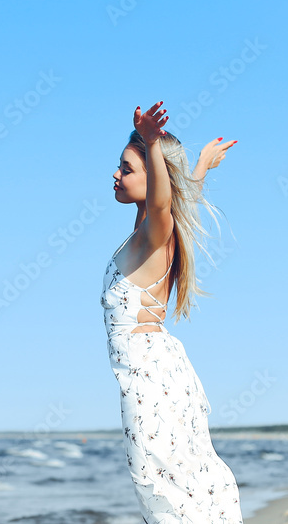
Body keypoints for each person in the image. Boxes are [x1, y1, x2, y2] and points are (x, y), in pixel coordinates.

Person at [101, 101, 243, 522]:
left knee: (161, 486)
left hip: (150, 377)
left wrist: (151, 142)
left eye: (127, 168)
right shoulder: (147, 228)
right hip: (155, 374)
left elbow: (165, 204)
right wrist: (200, 167)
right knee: (177, 482)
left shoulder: (155, 231)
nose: (116, 174)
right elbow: (178, 198)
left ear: (154, 176)